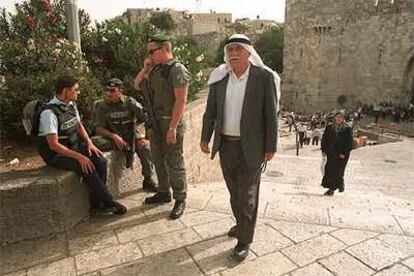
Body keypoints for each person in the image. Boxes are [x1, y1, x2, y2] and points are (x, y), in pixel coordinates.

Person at [200, 34, 278, 261]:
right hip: (227, 146)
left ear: (248, 53)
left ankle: (244, 240)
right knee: (235, 192)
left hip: (252, 148)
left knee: (247, 195)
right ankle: (241, 224)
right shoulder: (220, 78)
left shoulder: (263, 78)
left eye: (238, 50)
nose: (233, 54)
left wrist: (270, 145)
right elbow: (211, 112)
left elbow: (270, 114)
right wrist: (205, 137)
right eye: (229, 50)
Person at [36, 75, 127, 215]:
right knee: (85, 166)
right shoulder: (49, 114)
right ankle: (109, 202)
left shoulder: (71, 105)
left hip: (73, 147)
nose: (78, 92)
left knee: (100, 160)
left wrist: (90, 144)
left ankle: (97, 203)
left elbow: (79, 126)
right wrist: (79, 157)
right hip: (56, 154)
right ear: (66, 91)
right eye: (76, 90)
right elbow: (53, 145)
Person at [134, 34, 191, 219]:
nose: (149, 55)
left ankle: (180, 198)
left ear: (165, 48)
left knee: (174, 161)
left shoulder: (177, 70)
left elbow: (181, 100)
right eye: (148, 52)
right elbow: (136, 85)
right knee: (157, 158)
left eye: (152, 51)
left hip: (170, 121)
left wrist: (173, 128)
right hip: (155, 121)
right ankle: (164, 192)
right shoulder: (156, 69)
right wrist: (145, 68)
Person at [93, 78, 158, 192]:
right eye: (107, 90)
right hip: (114, 139)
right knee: (95, 141)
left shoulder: (130, 102)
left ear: (120, 91)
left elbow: (146, 119)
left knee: (145, 148)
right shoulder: (101, 106)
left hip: (131, 137)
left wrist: (145, 137)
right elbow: (99, 129)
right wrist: (114, 136)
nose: (109, 93)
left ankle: (148, 179)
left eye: (112, 90)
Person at [321, 110, 353, 196]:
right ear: (335, 118)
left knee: (339, 171)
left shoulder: (347, 129)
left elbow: (349, 143)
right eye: (337, 117)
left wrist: (344, 152)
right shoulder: (329, 128)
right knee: (330, 170)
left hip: (342, 154)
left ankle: (340, 184)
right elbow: (324, 140)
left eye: (341, 117)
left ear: (343, 119)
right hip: (331, 153)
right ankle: (331, 189)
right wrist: (323, 150)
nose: (339, 119)